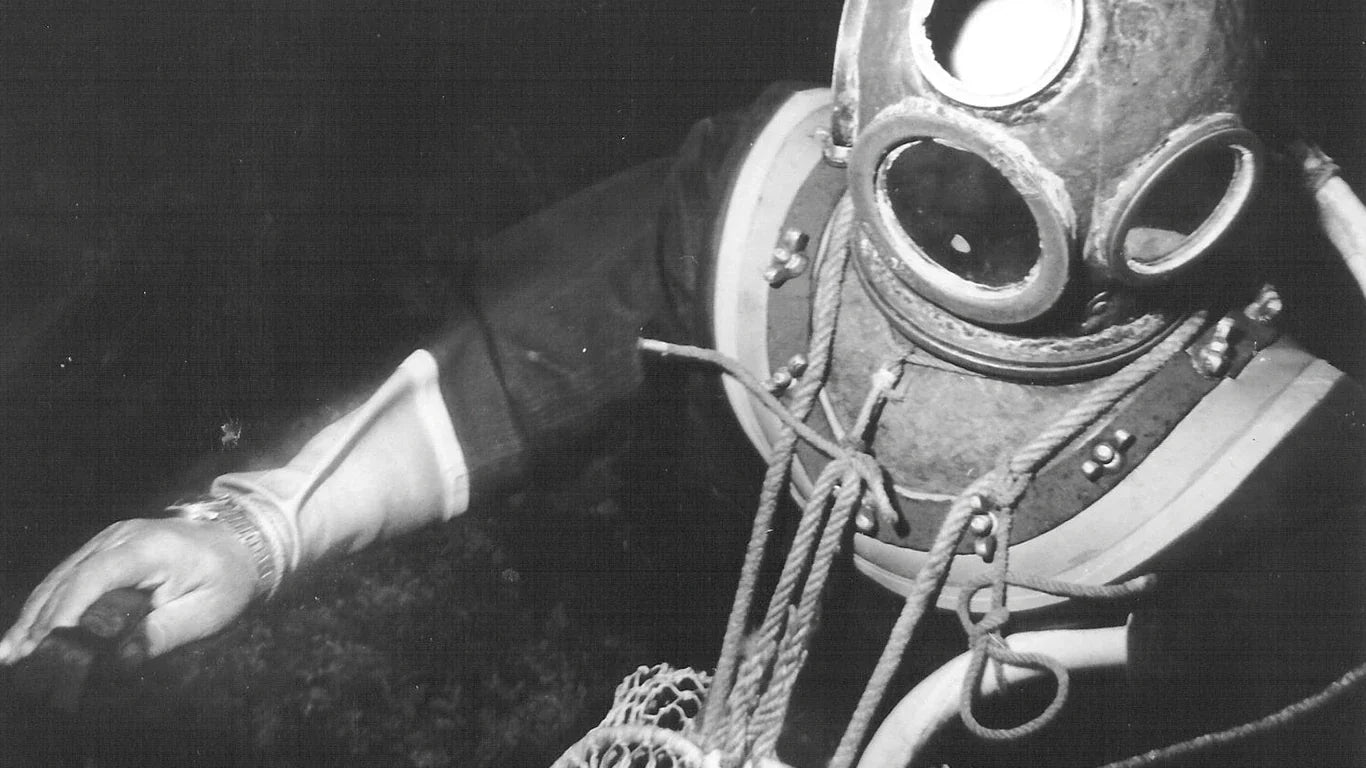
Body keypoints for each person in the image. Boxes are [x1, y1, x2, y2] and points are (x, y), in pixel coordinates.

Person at [1, 8, 1363, 766]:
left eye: (990, 220)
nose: (945, 241)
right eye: (921, 188)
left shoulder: (1289, 481)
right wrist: (251, 530)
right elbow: (526, 357)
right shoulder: (757, 199)